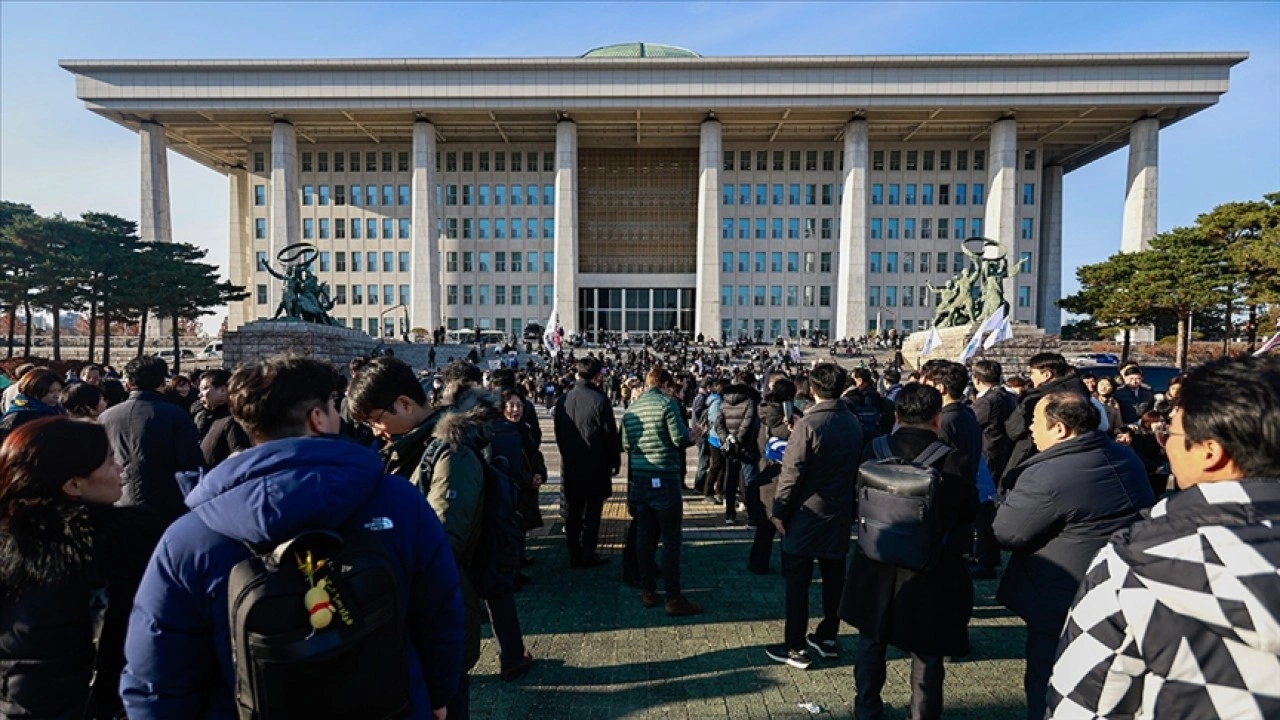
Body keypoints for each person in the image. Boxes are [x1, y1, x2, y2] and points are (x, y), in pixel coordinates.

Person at [120, 355, 465, 720]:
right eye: (335, 406)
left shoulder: (190, 537)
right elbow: (439, 610)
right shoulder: (398, 502)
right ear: (318, 417)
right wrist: (439, 693)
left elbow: (156, 671)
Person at [1048, 355, 1280, 719]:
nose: (1164, 444)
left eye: (1169, 433)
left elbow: (1083, 703)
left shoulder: (1138, 559)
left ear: (1210, 452)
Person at [993, 391, 1154, 720]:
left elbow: (1007, 531)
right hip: (1120, 584)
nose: (1031, 430)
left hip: (1061, 593)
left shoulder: (1048, 475)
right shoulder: (1124, 455)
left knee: (1049, 680)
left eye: (1036, 423)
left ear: (1061, 429)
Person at [0, 417, 161, 720]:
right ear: (73, 484)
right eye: (111, 461)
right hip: (102, 703)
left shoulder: (12, 544)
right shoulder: (123, 546)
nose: (121, 469)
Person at [841, 384, 977, 720]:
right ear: (937, 417)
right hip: (930, 566)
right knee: (927, 651)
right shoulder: (953, 458)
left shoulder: (874, 449)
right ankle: (923, 713)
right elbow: (967, 514)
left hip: (876, 558)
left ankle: (867, 708)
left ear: (897, 415)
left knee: (872, 640)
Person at [767, 363, 863, 669]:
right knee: (835, 575)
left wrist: (780, 509)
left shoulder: (809, 425)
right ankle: (828, 637)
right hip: (839, 509)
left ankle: (795, 645)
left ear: (811, 388)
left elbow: (792, 473)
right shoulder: (852, 421)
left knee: (798, 581)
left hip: (806, 512)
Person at [620, 368, 703, 616]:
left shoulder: (632, 409)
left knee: (644, 536)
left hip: (640, 479)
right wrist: (692, 436)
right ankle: (673, 597)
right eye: (672, 387)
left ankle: (647, 590)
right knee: (670, 539)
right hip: (664, 478)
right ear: (665, 385)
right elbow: (678, 439)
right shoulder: (667, 405)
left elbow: (624, 444)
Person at [99, 355, 203, 526]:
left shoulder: (105, 418)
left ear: (130, 383)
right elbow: (192, 464)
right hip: (168, 506)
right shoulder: (175, 415)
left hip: (118, 503)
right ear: (163, 383)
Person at [553, 357, 621, 569]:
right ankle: (588, 553)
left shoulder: (563, 400)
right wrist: (614, 461)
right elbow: (610, 435)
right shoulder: (600, 400)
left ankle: (574, 553)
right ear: (597, 376)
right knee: (592, 512)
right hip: (595, 464)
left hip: (571, 464)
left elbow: (558, 433)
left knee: (573, 513)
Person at [1002, 353, 1089, 490]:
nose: (1030, 377)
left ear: (1046, 374)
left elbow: (1014, 429)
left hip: (1034, 457)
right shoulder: (1079, 390)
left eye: (1033, 373)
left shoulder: (1040, 397)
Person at [969, 359, 1017, 579]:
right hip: (1001, 455)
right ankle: (990, 557)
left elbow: (970, 422)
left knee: (983, 514)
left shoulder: (987, 402)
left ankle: (984, 561)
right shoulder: (1008, 396)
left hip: (988, 457)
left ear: (977, 379)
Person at [749, 377, 801, 575]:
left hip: (764, 471)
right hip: (786, 476)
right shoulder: (793, 419)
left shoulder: (760, 414)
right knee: (787, 525)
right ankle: (789, 566)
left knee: (765, 525)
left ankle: (757, 563)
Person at [715, 371, 761, 525]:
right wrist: (738, 438)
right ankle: (751, 515)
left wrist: (726, 438)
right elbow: (748, 423)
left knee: (731, 479)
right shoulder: (750, 401)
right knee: (749, 480)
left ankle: (729, 514)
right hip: (746, 446)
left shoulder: (724, 401)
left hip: (730, 446)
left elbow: (718, 423)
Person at [194, 369, 251, 468]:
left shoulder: (233, 421)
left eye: (205, 388)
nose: (200, 394)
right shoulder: (210, 418)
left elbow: (241, 458)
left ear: (223, 390)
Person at [0, 367, 64, 440]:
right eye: (50, 392)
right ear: (34, 391)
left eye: (59, 391)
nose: (56, 396)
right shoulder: (16, 418)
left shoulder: (58, 411)